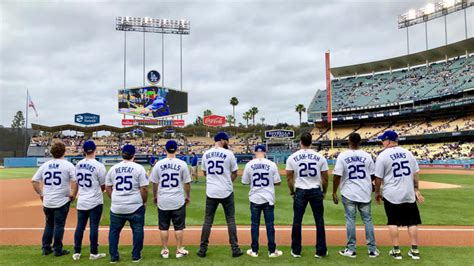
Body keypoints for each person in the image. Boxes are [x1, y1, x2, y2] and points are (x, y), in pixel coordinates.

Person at [374, 130, 424, 260]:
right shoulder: (408, 153)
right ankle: (415, 250)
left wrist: (377, 192)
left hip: (391, 194)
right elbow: (415, 174)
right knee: (412, 222)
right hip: (408, 193)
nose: (382, 142)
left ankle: (396, 251)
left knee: (393, 222)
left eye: (383, 140)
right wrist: (416, 189)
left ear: (388, 141)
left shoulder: (383, 155)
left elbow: (378, 178)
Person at [332, 133, 379, 258]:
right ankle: (372, 250)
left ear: (349, 141)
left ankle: (351, 249)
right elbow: (373, 175)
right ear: (360, 142)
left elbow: (337, 176)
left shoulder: (343, 156)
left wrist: (334, 192)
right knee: (367, 220)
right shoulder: (367, 156)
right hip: (364, 192)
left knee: (350, 220)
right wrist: (372, 185)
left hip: (348, 192)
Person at [197, 132, 243, 258]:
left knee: (207, 221)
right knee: (231, 220)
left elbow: (205, 172)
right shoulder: (229, 154)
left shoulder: (206, 153)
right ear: (222, 140)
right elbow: (235, 172)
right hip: (226, 190)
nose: (228, 142)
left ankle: (202, 250)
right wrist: (228, 182)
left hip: (211, 191)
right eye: (227, 140)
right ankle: (235, 249)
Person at [286, 132, 328, 258]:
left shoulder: (292, 157)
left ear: (300, 142)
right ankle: (320, 251)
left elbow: (289, 178)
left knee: (297, 221)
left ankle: (296, 250)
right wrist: (324, 191)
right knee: (319, 220)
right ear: (311, 142)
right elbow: (325, 178)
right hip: (315, 189)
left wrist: (292, 191)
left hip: (300, 190)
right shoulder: (320, 157)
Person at [105, 144, 149, 263]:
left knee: (114, 232)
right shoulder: (139, 168)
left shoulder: (113, 168)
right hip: (135, 205)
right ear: (133, 155)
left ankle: (114, 257)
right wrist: (144, 201)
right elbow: (144, 188)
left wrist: (113, 198)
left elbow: (107, 187)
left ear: (122, 154)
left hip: (117, 206)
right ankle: (136, 256)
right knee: (138, 230)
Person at [31, 141, 76, 257]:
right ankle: (57, 249)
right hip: (62, 201)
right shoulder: (68, 165)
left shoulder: (45, 165)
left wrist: (41, 193)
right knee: (59, 225)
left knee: (49, 224)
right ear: (64, 151)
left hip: (48, 201)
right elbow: (76, 181)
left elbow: (34, 181)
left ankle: (46, 248)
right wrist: (73, 194)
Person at [150, 140, 192, 259]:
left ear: (165, 149)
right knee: (178, 226)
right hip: (178, 199)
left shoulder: (158, 164)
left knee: (164, 227)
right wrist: (187, 196)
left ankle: (165, 250)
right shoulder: (182, 164)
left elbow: (154, 183)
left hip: (163, 199)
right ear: (177, 149)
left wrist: (155, 196)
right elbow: (187, 183)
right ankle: (179, 250)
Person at [241, 144, 283, 258]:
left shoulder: (249, 164)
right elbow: (278, 182)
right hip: (268, 198)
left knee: (254, 225)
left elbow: (244, 181)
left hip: (255, 198)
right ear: (265, 152)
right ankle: (272, 251)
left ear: (255, 152)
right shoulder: (272, 164)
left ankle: (254, 251)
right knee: (270, 225)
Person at [71, 140, 107, 261]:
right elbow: (103, 186)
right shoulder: (99, 165)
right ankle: (93, 253)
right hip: (95, 200)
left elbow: (76, 182)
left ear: (84, 151)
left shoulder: (78, 164)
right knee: (94, 227)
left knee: (80, 227)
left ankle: (76, 252)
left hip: (82, 200)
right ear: (95, 150)